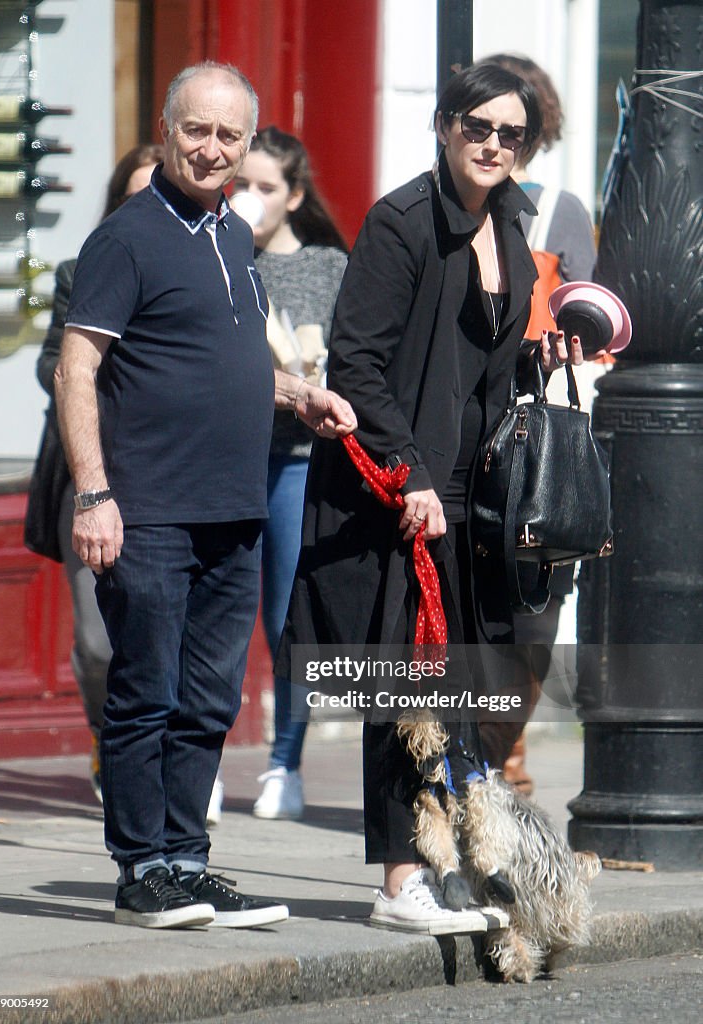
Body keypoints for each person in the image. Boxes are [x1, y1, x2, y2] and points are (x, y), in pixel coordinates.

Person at [276, 63, 590, 936]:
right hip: (396, 493)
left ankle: (449, 867)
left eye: (511, 134)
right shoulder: (402, 221)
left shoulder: (513, 227)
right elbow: (358, 363)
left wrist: (541, 358)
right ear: (446, 126)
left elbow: (481, 365)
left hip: (476, 494)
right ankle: (398, 883)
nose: (493, 144)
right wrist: (411, 472)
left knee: (474, 686)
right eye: (477, 127)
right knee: (403, 682)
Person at [53, 61, 356, 930]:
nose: (213, 148)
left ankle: (187, 862)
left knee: (210, 698)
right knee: (145, 691)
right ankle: (139, 871)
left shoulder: (231, 233)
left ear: (248, 144)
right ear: (164, 131)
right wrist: (93, 495)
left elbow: (227, 361)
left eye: (230, 135)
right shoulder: (128, 237)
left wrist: (300, 395)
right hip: (147, 508)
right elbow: (79, 369)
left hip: (236, 507)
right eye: (197, 130)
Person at [475, 54, 598, 793]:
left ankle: (503, 755)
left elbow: (596, 326)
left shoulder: (559, 213)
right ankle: (472, 760)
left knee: (535, 608)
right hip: (470, 433)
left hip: (541, 442)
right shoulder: (441, 210)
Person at [30, 143, 164, 801]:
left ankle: (165, 760)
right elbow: (51, 363)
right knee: (98, 643)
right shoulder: (80, 269)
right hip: (93, 472)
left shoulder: (204, 270)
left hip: (170, 476)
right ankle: (106, 739)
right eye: (133, 197)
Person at [229, 126, 348, 820]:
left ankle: (283, 763)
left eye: (265, 187)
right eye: (240, 184)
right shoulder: (215, 253)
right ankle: (200, 766)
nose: (250, 198)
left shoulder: (328, 266)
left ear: (294, 195)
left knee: (284, 616)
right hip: (227, 453)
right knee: (208, 617)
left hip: (297, 460)